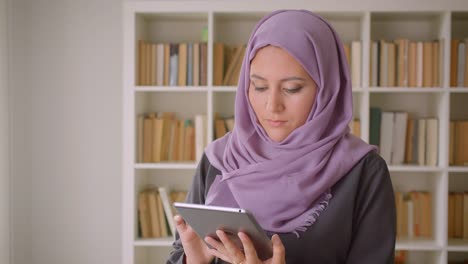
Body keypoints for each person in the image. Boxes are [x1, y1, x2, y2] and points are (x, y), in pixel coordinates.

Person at [167, 9, 396, 264]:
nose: (272, 105)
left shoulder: (363, 173)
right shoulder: (218, 160)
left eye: (292, 88)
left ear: (327, 89)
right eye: (259, 86)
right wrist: (193, 262)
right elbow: (179, 254)